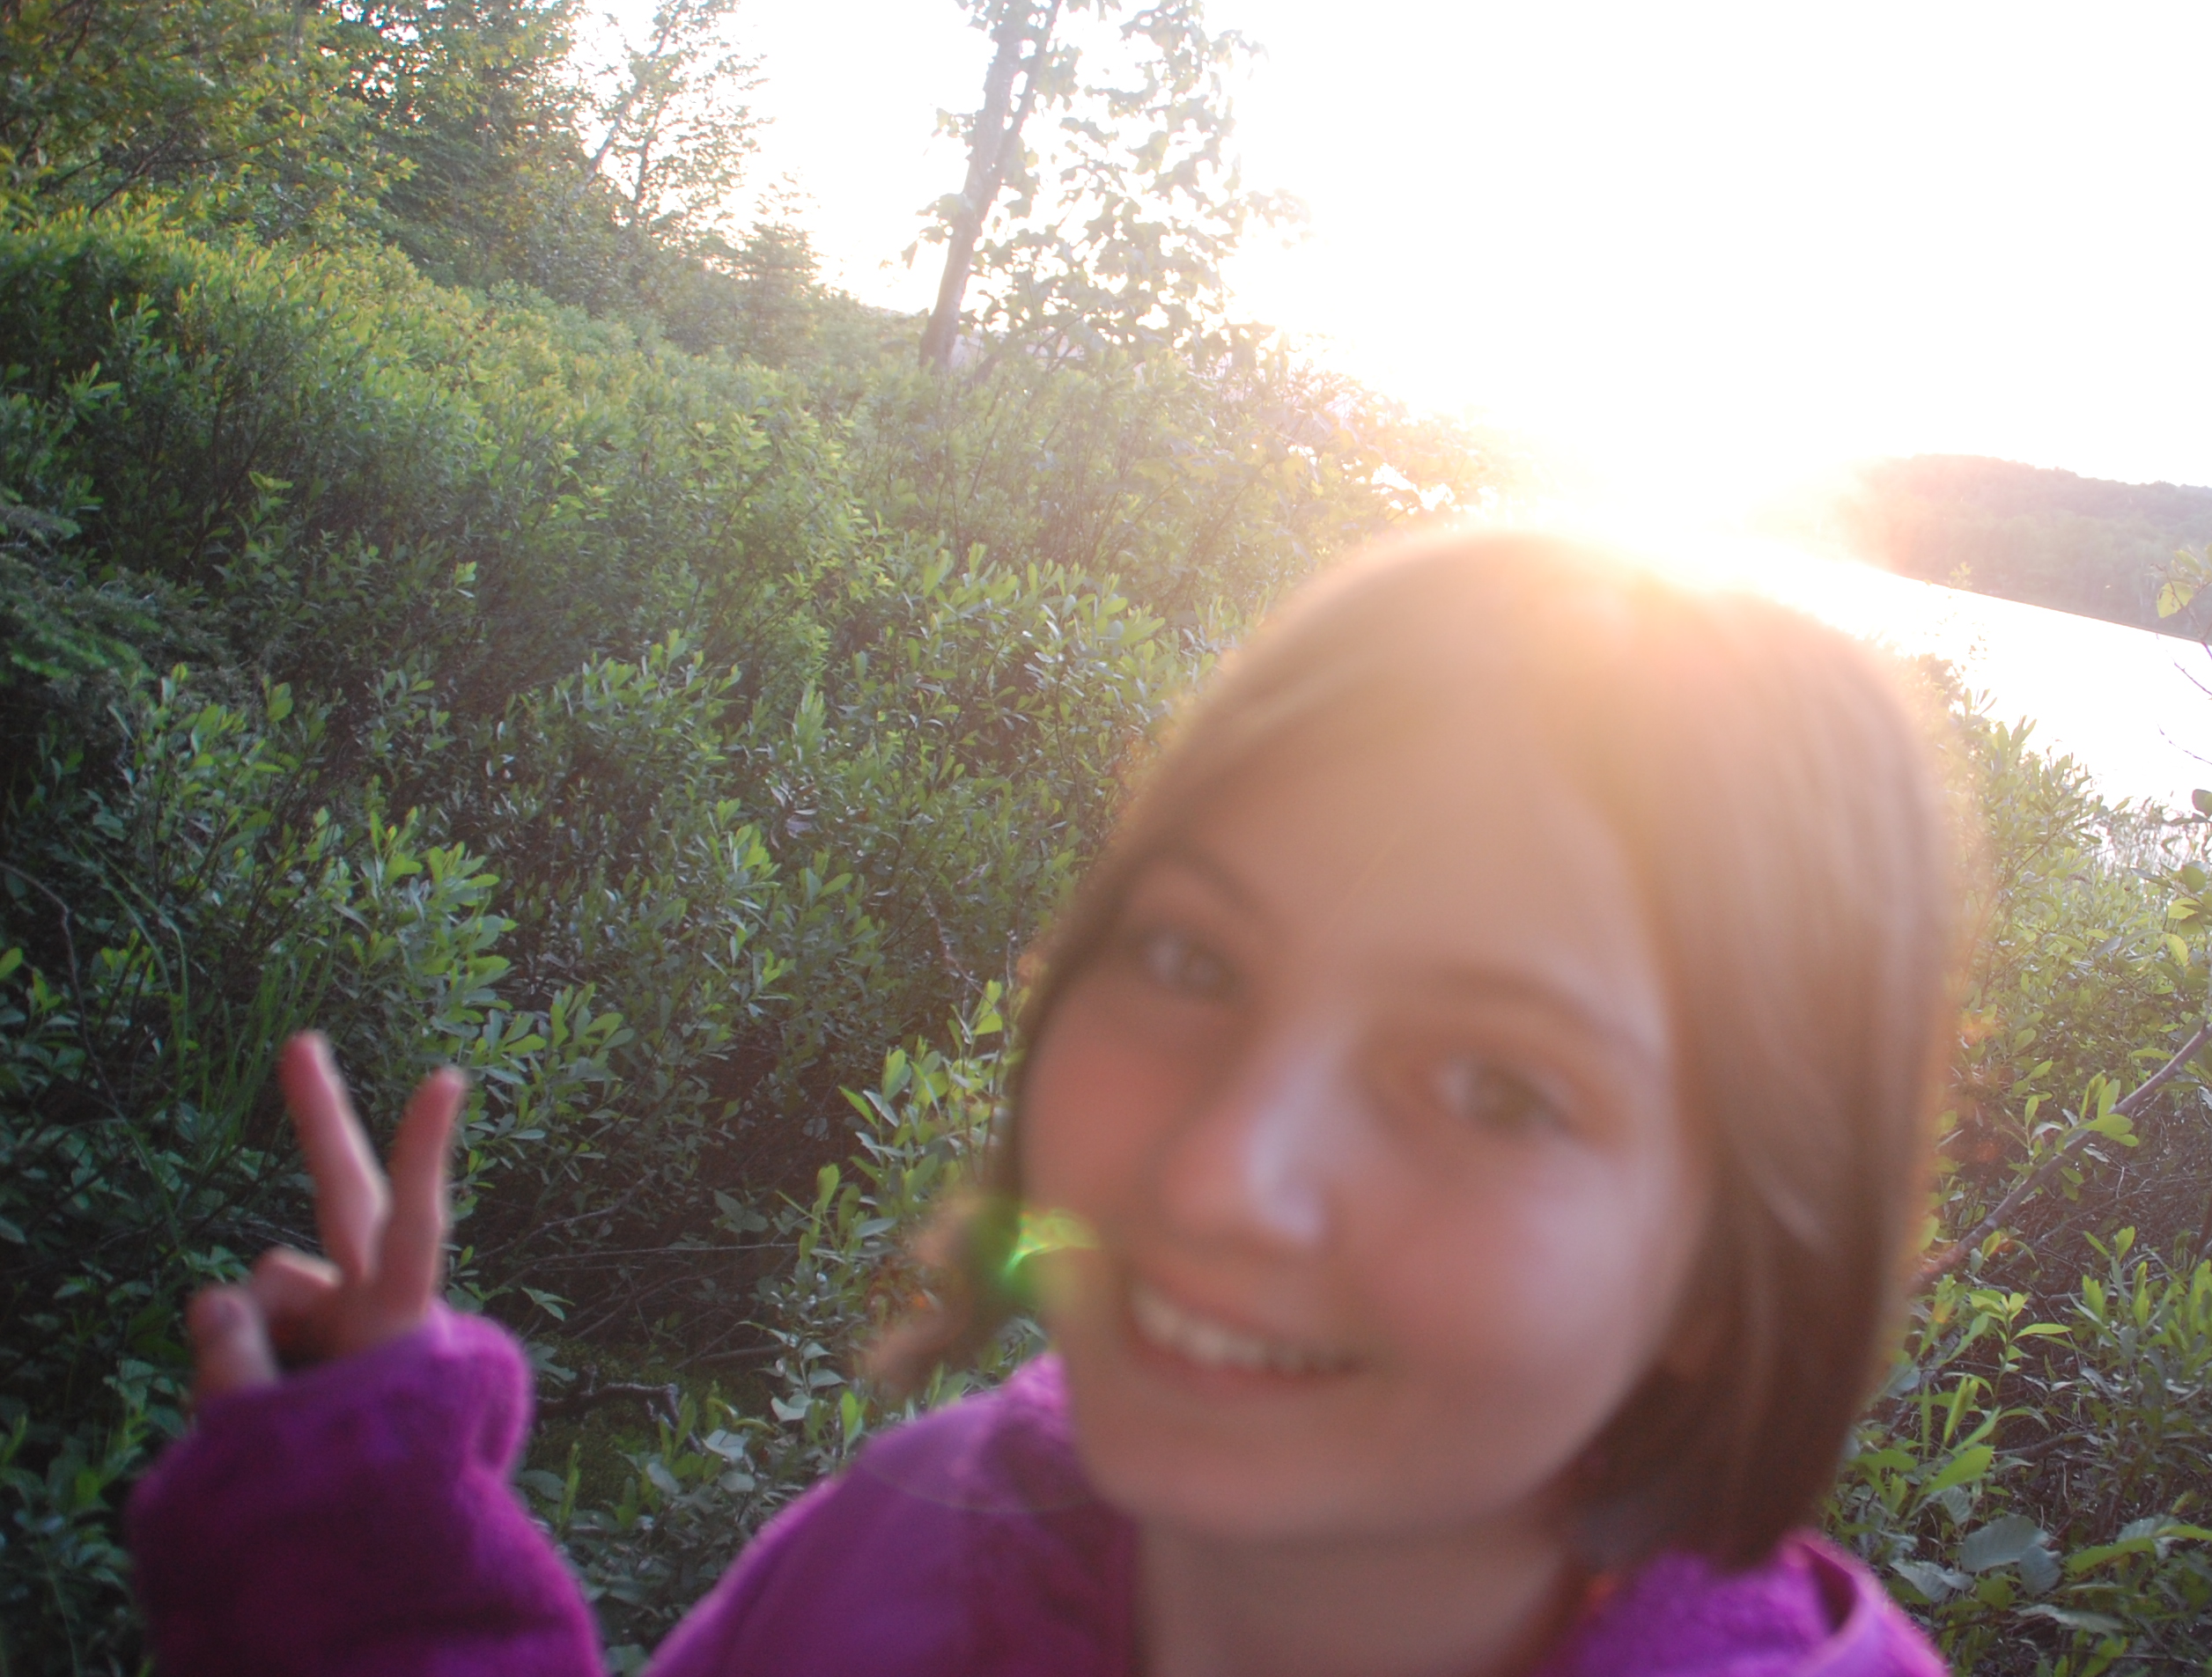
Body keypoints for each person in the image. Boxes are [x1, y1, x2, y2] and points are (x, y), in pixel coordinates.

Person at [127, 529, 1958, 1677]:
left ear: (1734, 1263)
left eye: (1491, 1085)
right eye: (1189, 960)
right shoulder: (923, 1532)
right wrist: (378, 1577)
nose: (1224, 1170)